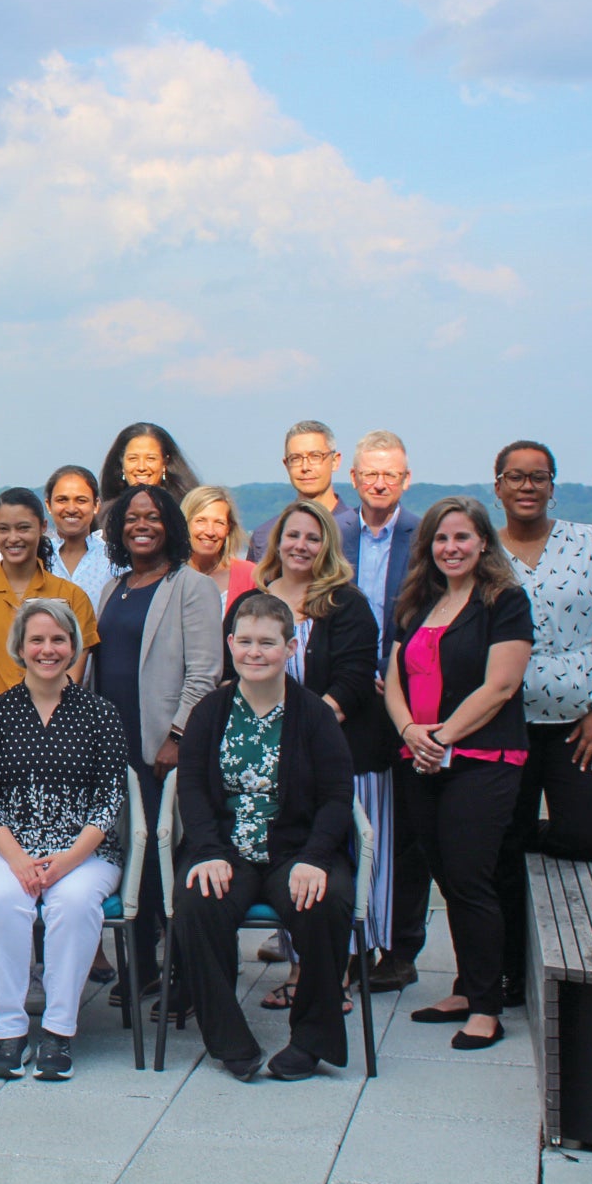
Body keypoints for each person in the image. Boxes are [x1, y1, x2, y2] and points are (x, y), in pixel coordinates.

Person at [170, 593, 356, 1081]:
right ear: (230, 644)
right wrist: (206, 851)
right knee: (197, 902)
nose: (255, 652)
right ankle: (229, 1038)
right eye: (245, 641)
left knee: (325, 902)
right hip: (226, 851)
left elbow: (338, 796)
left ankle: (313, 1039)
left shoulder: (313, 714)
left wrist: (316, 857)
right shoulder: (210, 712)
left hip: (296, 851)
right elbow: (190, 788)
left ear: (290, 648)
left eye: (268, 643)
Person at [384, 496, 532, 1050]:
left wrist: (441, 737)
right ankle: (467, 989)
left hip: (481, 759)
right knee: (447, 877)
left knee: (471, 879)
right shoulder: (418, 602)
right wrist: (409, 733)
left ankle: (488, 1007)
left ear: (483, 544)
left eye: (462, 538)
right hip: (420, 757)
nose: (451, 548)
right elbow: (393, 676)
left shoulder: (505, 601)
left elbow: (501, 686)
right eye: (442, 539)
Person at [228, 500, 386, 1009]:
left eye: (312, 538)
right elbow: (237, 674)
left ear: (327, 548)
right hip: (268, 763)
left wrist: (305, 730)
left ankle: (328, 976)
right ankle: (301, 970)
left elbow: (355, 678)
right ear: (277, 543)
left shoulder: (346, 603)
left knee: (326, 860)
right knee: (287, 855)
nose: (300, 545)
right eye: (292, 536)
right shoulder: (255, 599)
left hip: (335, 752)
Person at [493, 440, 592, 1004]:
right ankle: (506, 973)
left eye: (539, 477)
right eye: (516, 477)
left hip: (581, 724)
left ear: (553, 486)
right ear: (497, 485)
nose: (528, 486)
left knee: (590, 837)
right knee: (501, 848)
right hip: (505, 722)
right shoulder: (484, 553)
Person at [0, 597, 129, 1081]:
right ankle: (9, 1032)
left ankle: (58, 1032)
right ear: (20, 647)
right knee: (0, 899)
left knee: (74, 904)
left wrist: (67, 861)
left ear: (74, 646)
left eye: (59, 639)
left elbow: (110, 799)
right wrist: (17, 860)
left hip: (85, 850)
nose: (48, 649)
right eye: (37, 639)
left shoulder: (101, 714)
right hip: (2, 848)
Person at [89, 483, 222, 1001]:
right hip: (113, 750)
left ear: (171, 525)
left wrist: (178, 738)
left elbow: (206, 672)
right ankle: (141, 968)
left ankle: (186, 976)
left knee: (168, 860)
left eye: (152, 516)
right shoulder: (113, 588)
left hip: (161, 753)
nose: (141, 525)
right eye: (130, 518)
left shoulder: (191, 586)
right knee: (129, 864)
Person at [333, 432, 422, 991]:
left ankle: (401, 948)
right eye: (370, 475)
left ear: (406, 479)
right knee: (355, 816)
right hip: (348, 695)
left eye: (390, 474)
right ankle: (351, 943)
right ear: (355, 479)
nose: (380, 482)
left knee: (406, 828)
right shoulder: (335, 534)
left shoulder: (423, 534)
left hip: (408, 694)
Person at [0, 489, 100, 732]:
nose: (13, 538)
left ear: (43, 527)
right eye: (4, 529)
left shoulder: (72, 597)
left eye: (23, 528)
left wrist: (48, 734)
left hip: (57, 735)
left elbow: (73, 677)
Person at [248, 421, 348, 561]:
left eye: (315, 456)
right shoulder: (265, 536)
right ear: (286, 465)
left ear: (335, 461)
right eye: (296, 459)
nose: (305, 467)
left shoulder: (358, 530)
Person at [45, 464, 119, 602]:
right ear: (49, 505)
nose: (71, 508)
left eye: (81, 500)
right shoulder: (40, 557)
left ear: (96, 505)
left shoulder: (114, 559)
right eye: (62, 500)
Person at [182, 486, 257, 614]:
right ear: (184, 523)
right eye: (201, 521)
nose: (210, 531)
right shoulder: (167, 575)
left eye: (219, 523)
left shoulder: (250, 576)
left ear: (229, 528)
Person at [98, 424, 199, 508]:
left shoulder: (187, 510)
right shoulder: (105, 514)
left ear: (165, 462)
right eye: (133, 458)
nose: (141, 467)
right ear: (122, 463)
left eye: (150, 458)